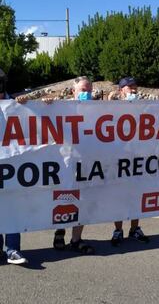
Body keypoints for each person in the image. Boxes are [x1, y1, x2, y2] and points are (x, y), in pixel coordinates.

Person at [52, 76, 95, 254]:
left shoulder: (97, 108)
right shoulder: (62, 107)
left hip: (88, 160)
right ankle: (60, 231)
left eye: (89, 90)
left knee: (84, 199)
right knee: (65, 197)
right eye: (83, 90)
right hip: (66, 160)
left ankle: (76, 240)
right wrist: (48, 103)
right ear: (73, 91)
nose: (86, 93)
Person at [110, 77, 149, 246]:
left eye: (135, 87)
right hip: (119, 159)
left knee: (136, 195)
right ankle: (118, 230)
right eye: (129, 87)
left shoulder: (143, 106)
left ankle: (135, 228)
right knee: (118, 197)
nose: (133, 90)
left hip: (138, 158)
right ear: (121, 90)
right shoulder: (113, 107)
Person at [0, 68, 29, 265]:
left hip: (12, 164)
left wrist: (41, 106)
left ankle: (12, 250)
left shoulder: (16, 104)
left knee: (12, 207)